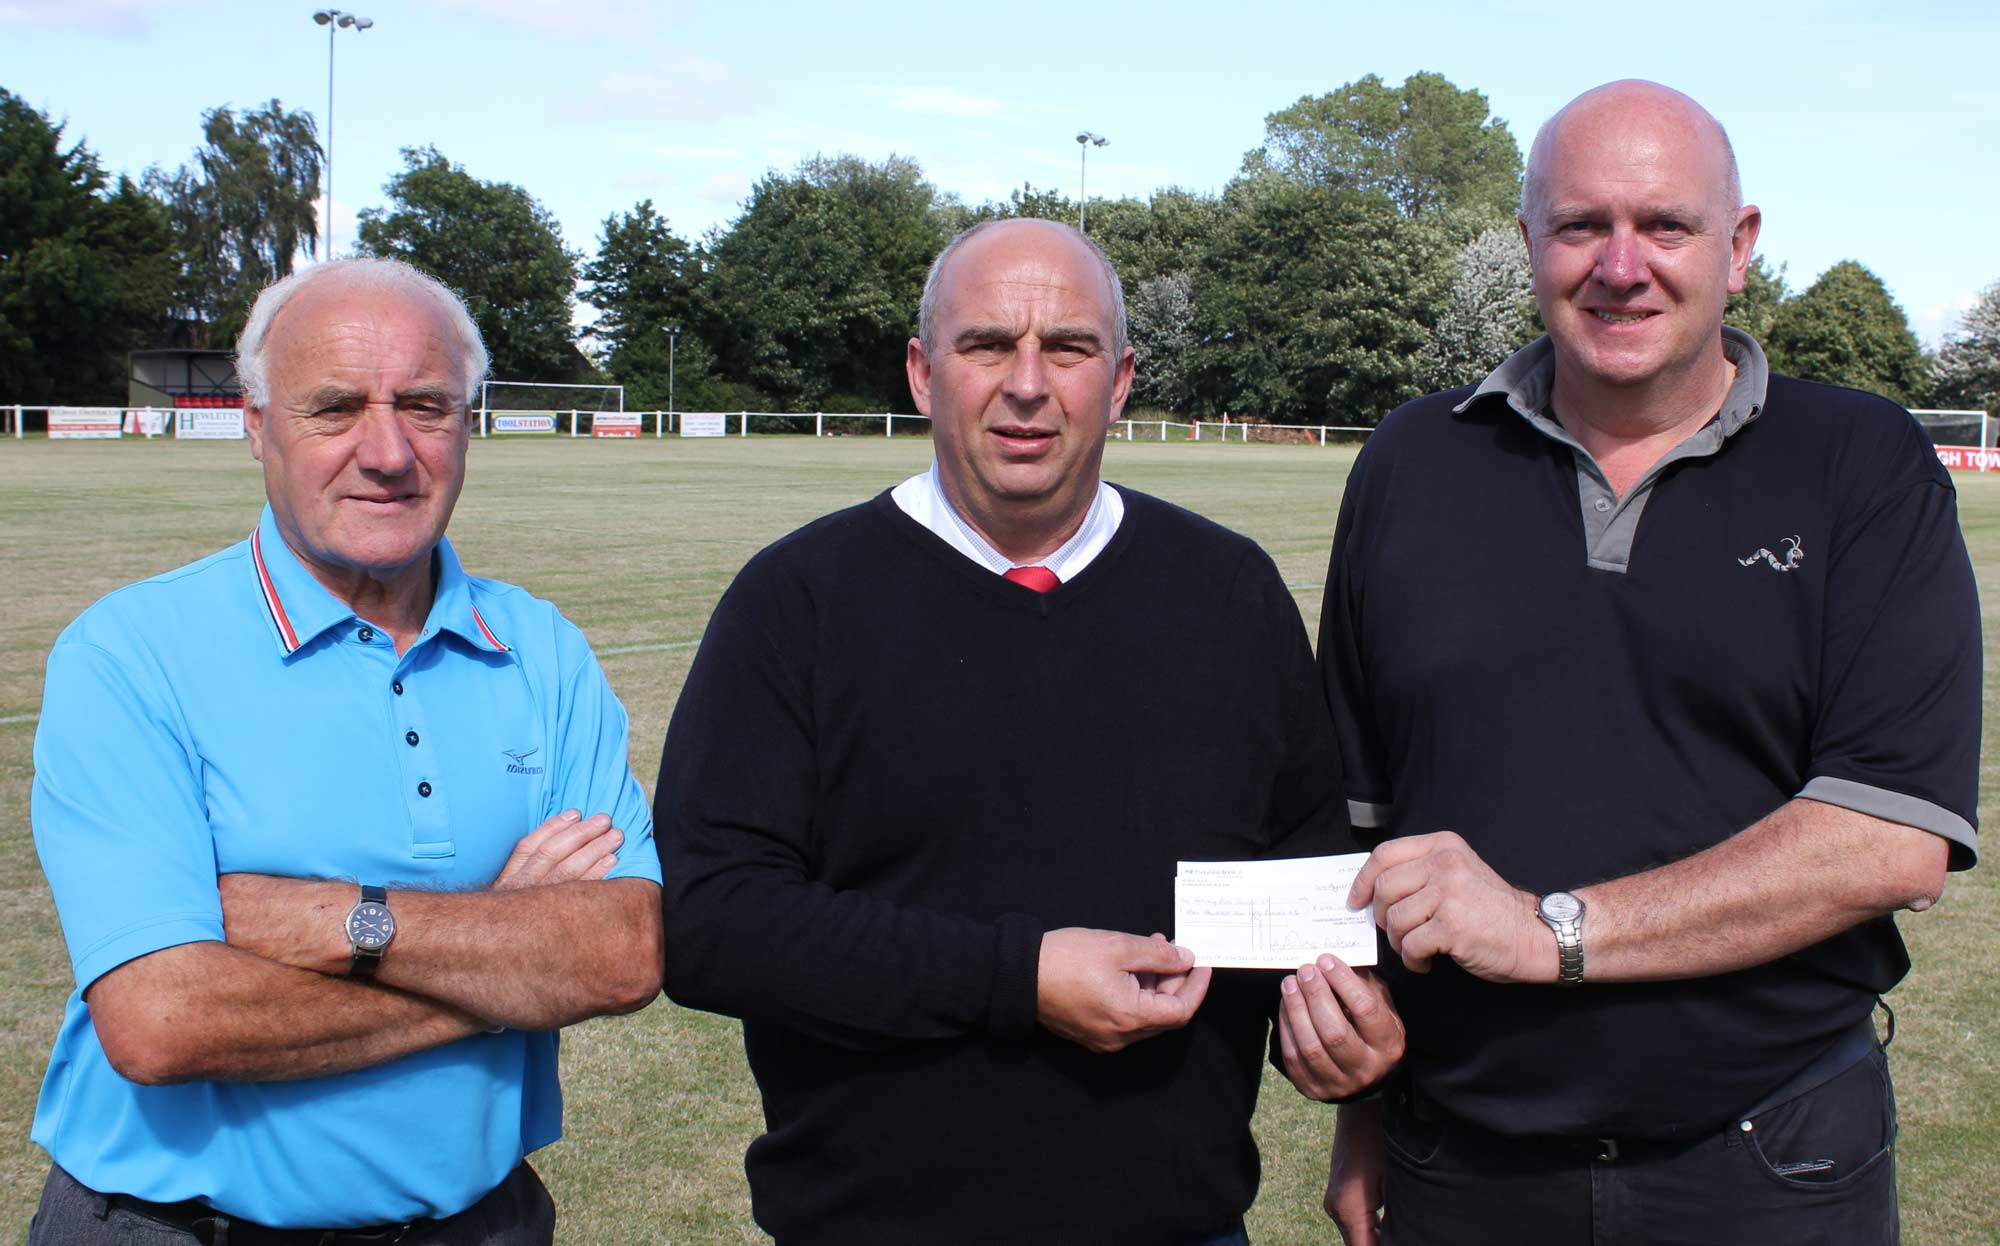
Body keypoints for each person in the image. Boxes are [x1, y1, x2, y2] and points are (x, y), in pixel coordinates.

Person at [1316, 80, 1980, 1246]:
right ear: (1527, 244)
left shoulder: (1860, 460)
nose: (1620, 265)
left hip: (1766, 1159)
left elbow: (1889, 835)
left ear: (1737, 247)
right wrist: (1359, 1110)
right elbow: (1368, 832)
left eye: (1664, 226)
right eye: (1579, 226)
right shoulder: (1411, 460)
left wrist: (1551, 928)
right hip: (1460, 1157)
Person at [655, 217, 1403, 1246]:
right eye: (985, 344)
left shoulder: (1226, 592)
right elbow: (712, 925)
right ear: (922, 373)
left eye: (1067, 346)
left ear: (1122, 376)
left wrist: (1332, 1029)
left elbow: (1305, 887)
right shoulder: (797, 600)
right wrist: (1016, 980)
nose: (1025, 382)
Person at [28, 258, 663, 1245]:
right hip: (173, 1227)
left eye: (424, 405)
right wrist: (509, 958)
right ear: (255, 423)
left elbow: (620, 956)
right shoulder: (129, 653)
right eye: (335, 407)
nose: (387, 451)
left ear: (467, 420)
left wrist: (329, 920)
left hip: (478, 1222)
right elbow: (163, 1022)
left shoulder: (541, 649)